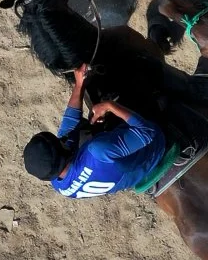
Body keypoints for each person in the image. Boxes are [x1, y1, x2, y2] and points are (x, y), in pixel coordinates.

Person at [22, 64, 167, 198]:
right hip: (153, 149)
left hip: (120, 175)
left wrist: (79, 85)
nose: (61, 138)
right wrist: (110, 106)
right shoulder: (97, 150)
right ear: (62, 149)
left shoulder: (59, 184)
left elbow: (70, 124)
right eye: (59, 141)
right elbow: (148, 132)